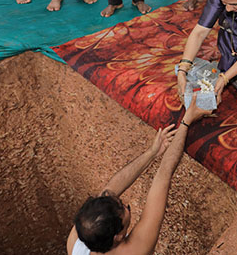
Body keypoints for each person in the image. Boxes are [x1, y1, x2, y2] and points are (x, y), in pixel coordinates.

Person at [66, 96, 210, 255]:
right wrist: (186, 120)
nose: (124, 203)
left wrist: (152, 152)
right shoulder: (136, 250)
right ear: (118, 237)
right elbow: (163, 175)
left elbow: (111, 187)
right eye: (124, 207)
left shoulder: (80, 237)